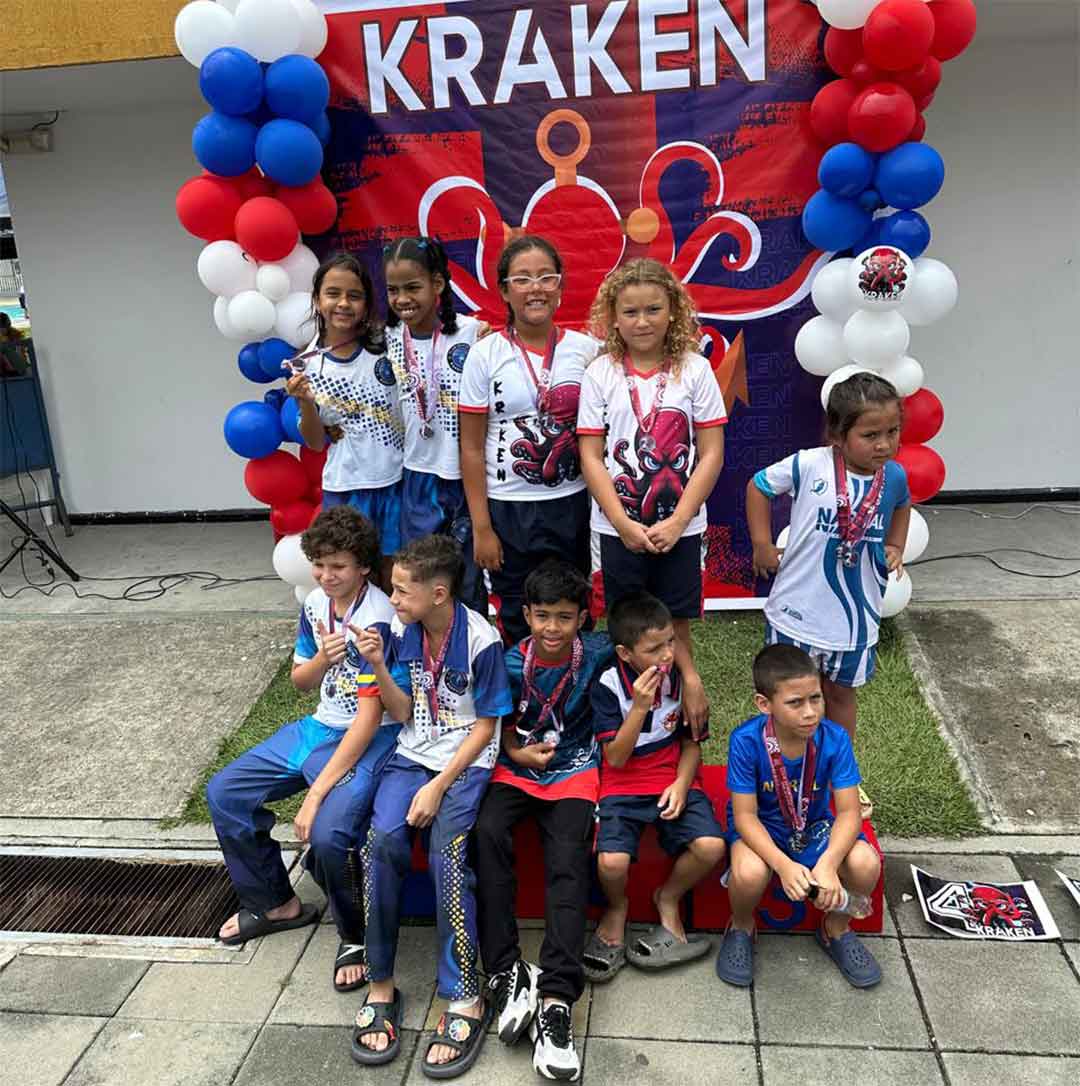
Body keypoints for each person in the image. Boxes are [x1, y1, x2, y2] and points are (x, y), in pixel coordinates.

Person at [207, 506, 398, 993]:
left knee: (330, 833)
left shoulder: (378, 617)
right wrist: (322, 660)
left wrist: (313, 797)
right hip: (319, 726)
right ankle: (275, 903)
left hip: (370, 735)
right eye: (319, 564)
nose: (326, 575)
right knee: (225, 792)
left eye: (339, 566)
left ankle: (354, 936)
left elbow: (369, 718)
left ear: (363, 567)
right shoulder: (315, 603)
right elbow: (300, 680)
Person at [350, 535, 512, 1078]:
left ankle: (464, 994)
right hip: (413, 750)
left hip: (465, 760)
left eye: (401, 590)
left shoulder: (481, 639)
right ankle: (380, 982)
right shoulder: (401, 632)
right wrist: (379, 666)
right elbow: (402, 712)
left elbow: (486, 726)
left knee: (448, 855)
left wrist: (439, 785)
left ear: (438, 593)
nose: (392, 598)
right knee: (380, 843)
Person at [473, 560, 610, 1081]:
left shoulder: (597, 654)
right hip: (516, 768)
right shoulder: (509, 662)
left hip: (574, 771)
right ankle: (506, 971)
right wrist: (514, 750)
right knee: (486, 833)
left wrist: (685, 677)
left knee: (569, 860)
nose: (553, 628)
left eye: (565, 617)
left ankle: (556, 998)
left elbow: (655, 642)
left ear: (582, 619)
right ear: (526, 615)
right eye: (543, 616)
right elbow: (495, 719)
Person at [578, 257, 726, 738]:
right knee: (624, 627)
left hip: (681, 527)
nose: (642, 322)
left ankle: (679, 718)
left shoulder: (695, 370)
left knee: (675, 622)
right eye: (631, 312)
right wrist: (622, 523)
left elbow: (711, 454)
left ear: (673, 311)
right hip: (617, 529)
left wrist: (679, 521)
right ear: (614, 317)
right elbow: (592, 456)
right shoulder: (600, 373)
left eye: (653, 310)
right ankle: (625, 727)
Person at [746, 371, 911, 747]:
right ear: (837, 434)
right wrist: (761, 544)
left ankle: (839, 766)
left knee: (839, 695)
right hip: (795, 614)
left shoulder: (894, 477)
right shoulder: (808, 465)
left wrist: (896, 545)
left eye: (893, 431)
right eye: (870, 435)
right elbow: (758, 486)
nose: (884, 444)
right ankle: (786, 761)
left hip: (854, 623)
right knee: (790, 695)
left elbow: (903, 504)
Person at [715, 644, 883, 989]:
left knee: (865, 863)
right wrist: (782, 865)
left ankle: (835, 928)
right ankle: (742, 926)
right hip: (764, 828)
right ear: (764, 704)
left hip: (815, 827)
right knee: (748, 873)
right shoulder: (746, 741)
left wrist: (828, 864)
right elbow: (745, 817)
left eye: (816, 698)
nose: (810, 712)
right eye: (795, 703)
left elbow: (849, 812)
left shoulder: (834, 739)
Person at [458, 235, 598, 645]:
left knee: (574, 604)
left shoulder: (587, 351)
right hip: (508, 508)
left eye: (545, 277)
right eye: (522, 279)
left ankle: (575, 680)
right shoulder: (484, 354)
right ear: (504, 291)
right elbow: (470, 447)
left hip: (572, 503)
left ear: (560, 285)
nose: (535, 288)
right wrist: (482, 527)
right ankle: (520, 682)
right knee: (517, 608)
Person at [585, 592, 725, 981]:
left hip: (673, 774)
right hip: (622, 782)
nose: (667, 654)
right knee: (611, 862)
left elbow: (692, 745)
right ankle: (617, 908)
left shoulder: (681, 679)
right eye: (654, 649)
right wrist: (640, 707)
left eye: (670, 642)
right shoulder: (608, 683)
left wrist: (681, 783)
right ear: (625, 653)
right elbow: (615, 758)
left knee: (711, 846)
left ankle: (668, 897)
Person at [382, 236, 487, 612]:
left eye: (412, 287)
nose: (402, 299)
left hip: (466, 476)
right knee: (421, 579)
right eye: (393, 290)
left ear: (438, 284)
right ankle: (425, 646)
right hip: (419, 477)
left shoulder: (474, 334)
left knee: (468, 579)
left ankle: (471, 644)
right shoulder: (388, 339)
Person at [286, 252, 403, 586]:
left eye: (354, 295)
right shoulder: (307, 363)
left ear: (366, 304)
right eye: (333, 293)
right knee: (350, 576)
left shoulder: (386, 345)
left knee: (392, 572)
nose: (343, 303)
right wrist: (304, 402)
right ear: (317, 299)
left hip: (395, 481)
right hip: (345, 487)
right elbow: (314, 442)